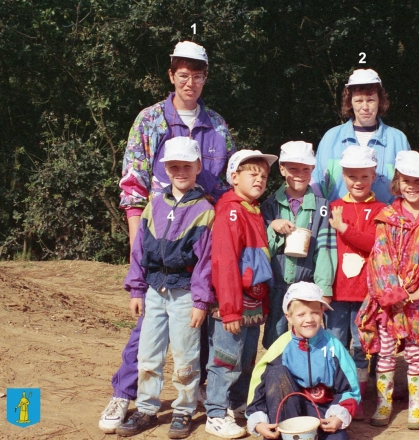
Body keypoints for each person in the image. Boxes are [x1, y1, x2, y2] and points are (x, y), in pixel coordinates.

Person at [101, 40, 236, 434]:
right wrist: (135, 241)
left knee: (198, 320)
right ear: (171, 75)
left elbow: (222, 185)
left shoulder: (218, 126)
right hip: (157, 238)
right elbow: (133, 182)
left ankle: (201, 400)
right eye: (183, 74)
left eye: (197, 74)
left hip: (202, 235)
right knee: (148, 326)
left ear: (205, 77)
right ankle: (126, 395)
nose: (190, 81)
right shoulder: (150, 120)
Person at [115, 137, 214, 439]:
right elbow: (139, 250)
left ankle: (183, 411)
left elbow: (206, 261)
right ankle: (146, 408)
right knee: (148, 355)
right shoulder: (153, 205)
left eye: (187, 165)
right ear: (165, 169)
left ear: (198, 166)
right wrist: (136, 288)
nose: (180, 171)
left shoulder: (205, 210)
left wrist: (201, 301)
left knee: (185, 356)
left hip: (184, 293)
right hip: (154, 291)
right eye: (174, 166)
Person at [356, 150, 419, 430]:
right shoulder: (387, 218)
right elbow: (380, 257)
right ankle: (384, 403)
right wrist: (393, 295)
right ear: (398, 183)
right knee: (386, 352)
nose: (412, 186)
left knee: (417, 351)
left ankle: (415, 404)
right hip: (390, 302)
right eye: (407, 180)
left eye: (418, 181)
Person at [205, 149, 278, 439]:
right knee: (226, 358)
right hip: (232, 306)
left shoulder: (254, 210)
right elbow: (224, 262)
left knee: (246, 357)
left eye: (263, 175)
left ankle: (236, 404)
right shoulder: (231, 210)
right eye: (252, 173)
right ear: (234, 177)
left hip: (252, 303)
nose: (259, 179)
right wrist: (230, 308)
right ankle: (215, 412)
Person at [245, 281, 360, 440]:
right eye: (301, 314)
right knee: (276, 373)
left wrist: (339, 416)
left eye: (315, 312)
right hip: (288, 413)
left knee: (339, 438)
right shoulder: (280, 348)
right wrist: (258, 421)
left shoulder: (333, 347)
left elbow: (350, 389)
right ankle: (283, 433)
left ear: (322, 312)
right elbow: (259, 388)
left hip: (322, 412)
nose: (309, 319)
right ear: (289, 317)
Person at [326, 145, 386, 420]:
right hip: (338, 292)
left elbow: (374, 244)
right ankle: (339, 395)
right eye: (351, 176)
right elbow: (325, 250)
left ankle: (357, 398)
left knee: (361, 347)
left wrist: (344, 229)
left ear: (373, 176)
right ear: (343, 176)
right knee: (337, 342)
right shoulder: (335, 207)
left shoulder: (381, 210)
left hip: (366, 292)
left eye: (363, 176)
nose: (357, 182)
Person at [261, 141, 336, 349]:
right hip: (276, 285)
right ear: (282, 169)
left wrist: (324, 287)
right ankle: (276, 376)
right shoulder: (269, 205)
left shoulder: (321, 207)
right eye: (293, 168)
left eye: (305, 169)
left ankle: (305, 377)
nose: (299, 174)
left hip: (307, 286)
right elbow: (262, 247)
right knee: (274, 336)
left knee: (307, 334)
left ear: (312, 170)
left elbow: (325, 251)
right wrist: (272, 228)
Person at [312, 69, 411, 204]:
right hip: (337, 221)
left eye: (370, 100)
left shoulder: (397, 139)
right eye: (359, 100)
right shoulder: (331, 138)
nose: (365, 107)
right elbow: (316, 186)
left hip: (385, 222)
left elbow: (408, 187)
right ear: (350, 102)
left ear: (379, 101)